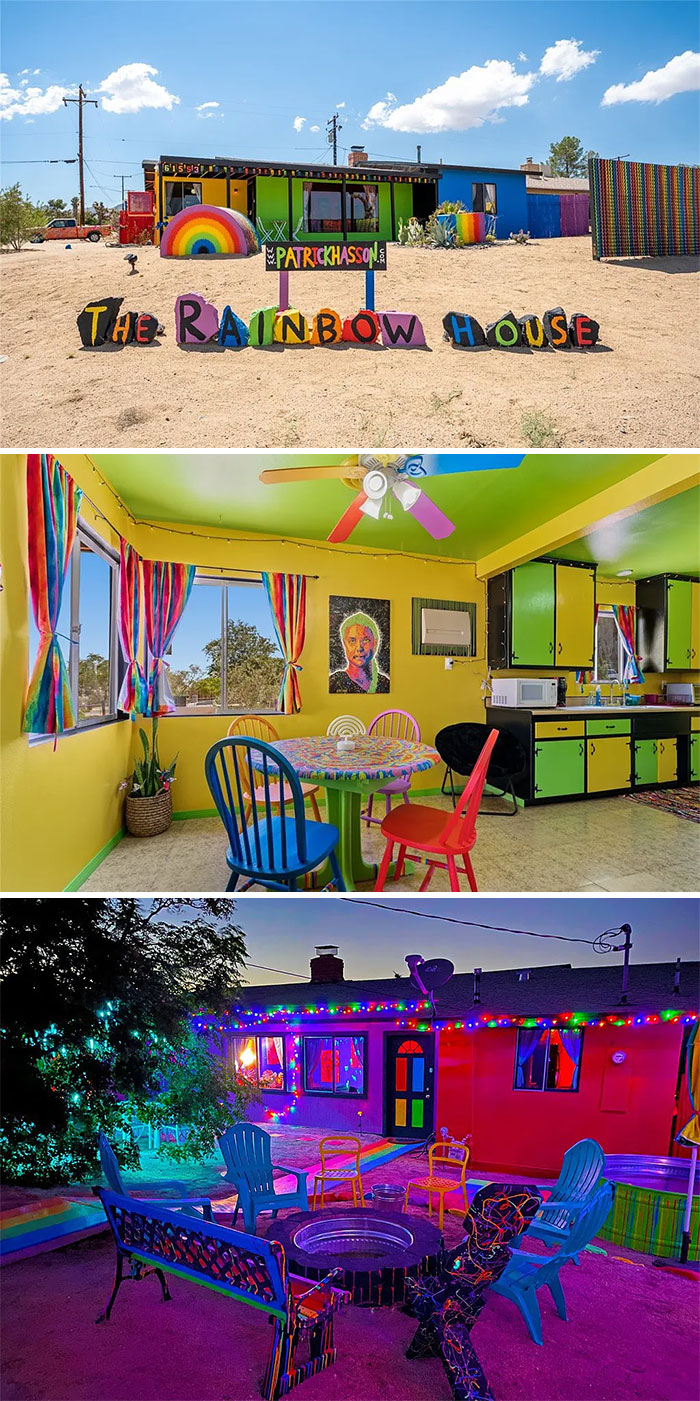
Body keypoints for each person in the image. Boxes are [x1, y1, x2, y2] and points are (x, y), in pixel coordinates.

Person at [330, 610, 389, 694]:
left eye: (365, 640)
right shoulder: (334, 683)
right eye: (352, 641)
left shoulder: (385, 684)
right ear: (344, 644)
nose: (359, 648)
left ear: (375, 643)